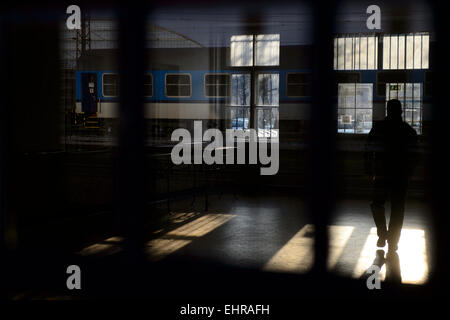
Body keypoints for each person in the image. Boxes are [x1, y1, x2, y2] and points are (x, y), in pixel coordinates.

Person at [364, 99, 418, 252]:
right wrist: (410, 173)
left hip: (382, 173)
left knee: (377, 204)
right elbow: (415, 155)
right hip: (401, 175)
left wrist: (369, 169)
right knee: (398, 208)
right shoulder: (408, 130)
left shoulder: (378, 128)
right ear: (401, 111)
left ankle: (382, 234)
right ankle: (393, 242)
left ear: (387, 110)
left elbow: (368, 149)